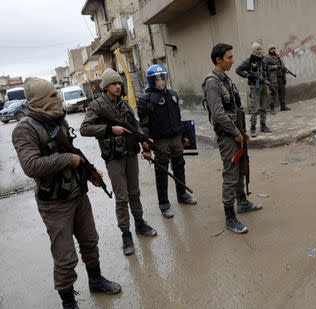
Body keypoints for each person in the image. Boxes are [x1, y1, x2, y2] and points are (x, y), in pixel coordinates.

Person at [12, 77, 121, 309]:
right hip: (54, 203)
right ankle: (69, 302)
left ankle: (96, 279)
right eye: (52, 96)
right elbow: (30, 166)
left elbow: (73, 151)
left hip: (78, 194)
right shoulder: (25, 129)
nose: (58, 99)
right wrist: (68, 160)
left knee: (90, 241)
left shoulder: (57, 119)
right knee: (65, 258)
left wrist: (87, 171)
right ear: (40, 100)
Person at [80, 68, 156, 256]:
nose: (118, 86)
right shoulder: (97, 106)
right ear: (106, 87)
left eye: (119, 83)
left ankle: (139, 223)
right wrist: (108, 129)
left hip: (130, 154)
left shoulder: (124, 105)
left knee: (135, 192)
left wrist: (144, 140)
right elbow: (84, 129)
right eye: (114, 84)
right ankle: (126, 234)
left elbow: (135, 125)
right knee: (122, 197)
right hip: (114, 158)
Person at [202, 43, 262, 234]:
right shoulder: (212, 82)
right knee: (231, 173)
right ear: (218, 60)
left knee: (241, 167)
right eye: (229, 57)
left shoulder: (225, 79)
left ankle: (242, 202)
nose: (233, 60)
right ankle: (229, 217)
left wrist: (242, 131)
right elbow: (218, 114)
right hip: (227, 136)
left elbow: (234, 109)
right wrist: (235, 133)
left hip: (236, 131)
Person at [137, 64, 197, 219]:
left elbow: (177, 117)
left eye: (163, 78)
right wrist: (146, 145)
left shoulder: (173, 95)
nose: (161, 81)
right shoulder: (145, 100)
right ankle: (164, 204)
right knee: (162, 172)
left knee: (179, 166)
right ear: (151, 81)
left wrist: (184, 135)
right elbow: (143, 124)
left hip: (176, 138)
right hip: (159, 141)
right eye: (157, 79)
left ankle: (182, 195)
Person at [236, 42, 271, 138]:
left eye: (260, 49)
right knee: (254, 108)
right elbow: (238, 70)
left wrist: (269, 82)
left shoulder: (264, 59)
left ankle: (263, 125)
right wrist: (248, 75)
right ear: (254, 50)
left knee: (264, 106)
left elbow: (267, 71)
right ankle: (253, 127)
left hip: (264, 85)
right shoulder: (249, 61)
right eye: (258, 49)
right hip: (255, 87)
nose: (260, 51)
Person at [264, 44, 291, 114]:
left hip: (281, 77)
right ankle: (272, 108)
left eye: (274, 48)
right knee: (273, 93)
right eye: (271, 49)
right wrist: (273, 67)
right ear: (269, 50)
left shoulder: (278, 56)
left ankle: (283, 106)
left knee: (282, 92)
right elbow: (265, 68)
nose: (273, 50)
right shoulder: (266, 58)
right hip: (273, 78)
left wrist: (285, 70)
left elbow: (282, 65)